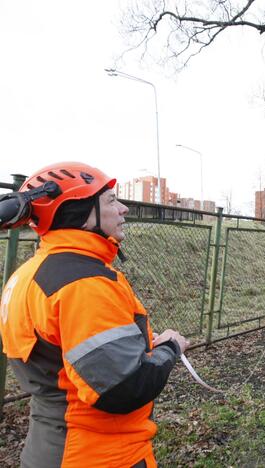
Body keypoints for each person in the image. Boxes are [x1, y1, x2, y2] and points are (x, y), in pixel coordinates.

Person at [0, 162, 190, 468]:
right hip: (97, 455)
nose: (124, 209)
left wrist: (135, 346)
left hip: (48, 447)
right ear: (79, 212)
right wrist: (170, 348)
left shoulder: (29, 274)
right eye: (111, 200)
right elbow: (124, 387)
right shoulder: (84, 284)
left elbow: (66, 360)